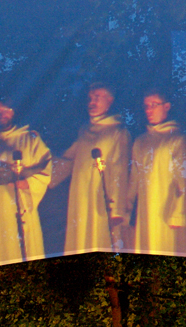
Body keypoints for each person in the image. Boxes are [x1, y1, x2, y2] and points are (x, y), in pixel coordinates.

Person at [51, 82, 131, 253]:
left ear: (110, 101)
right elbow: (68, 158)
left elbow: (120, 169)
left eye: (97, 97)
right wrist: (42, 177)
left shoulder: (117, 132)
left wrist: (117, 209)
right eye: (90, 98)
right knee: (79, 239)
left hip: (102, 199)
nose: (92, 102)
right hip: (80, 197)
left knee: (100, 238)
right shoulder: (84, 130)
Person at [0, 99, 51, 265]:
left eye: (6, 110)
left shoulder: (30, 139)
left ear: (14, 111)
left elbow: (46, 167)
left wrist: (25, 184)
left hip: (19, 204)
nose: (2, 114)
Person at [126, 89, 186, 254]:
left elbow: (184, 179)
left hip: (168, 214)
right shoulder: (140, 142)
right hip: (145, 212)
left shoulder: (177, 139)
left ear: (167, 106)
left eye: (154, 105)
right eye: (146, 106)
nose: (149, 110)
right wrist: (127, 210)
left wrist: (179, 213)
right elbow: (134, 180)